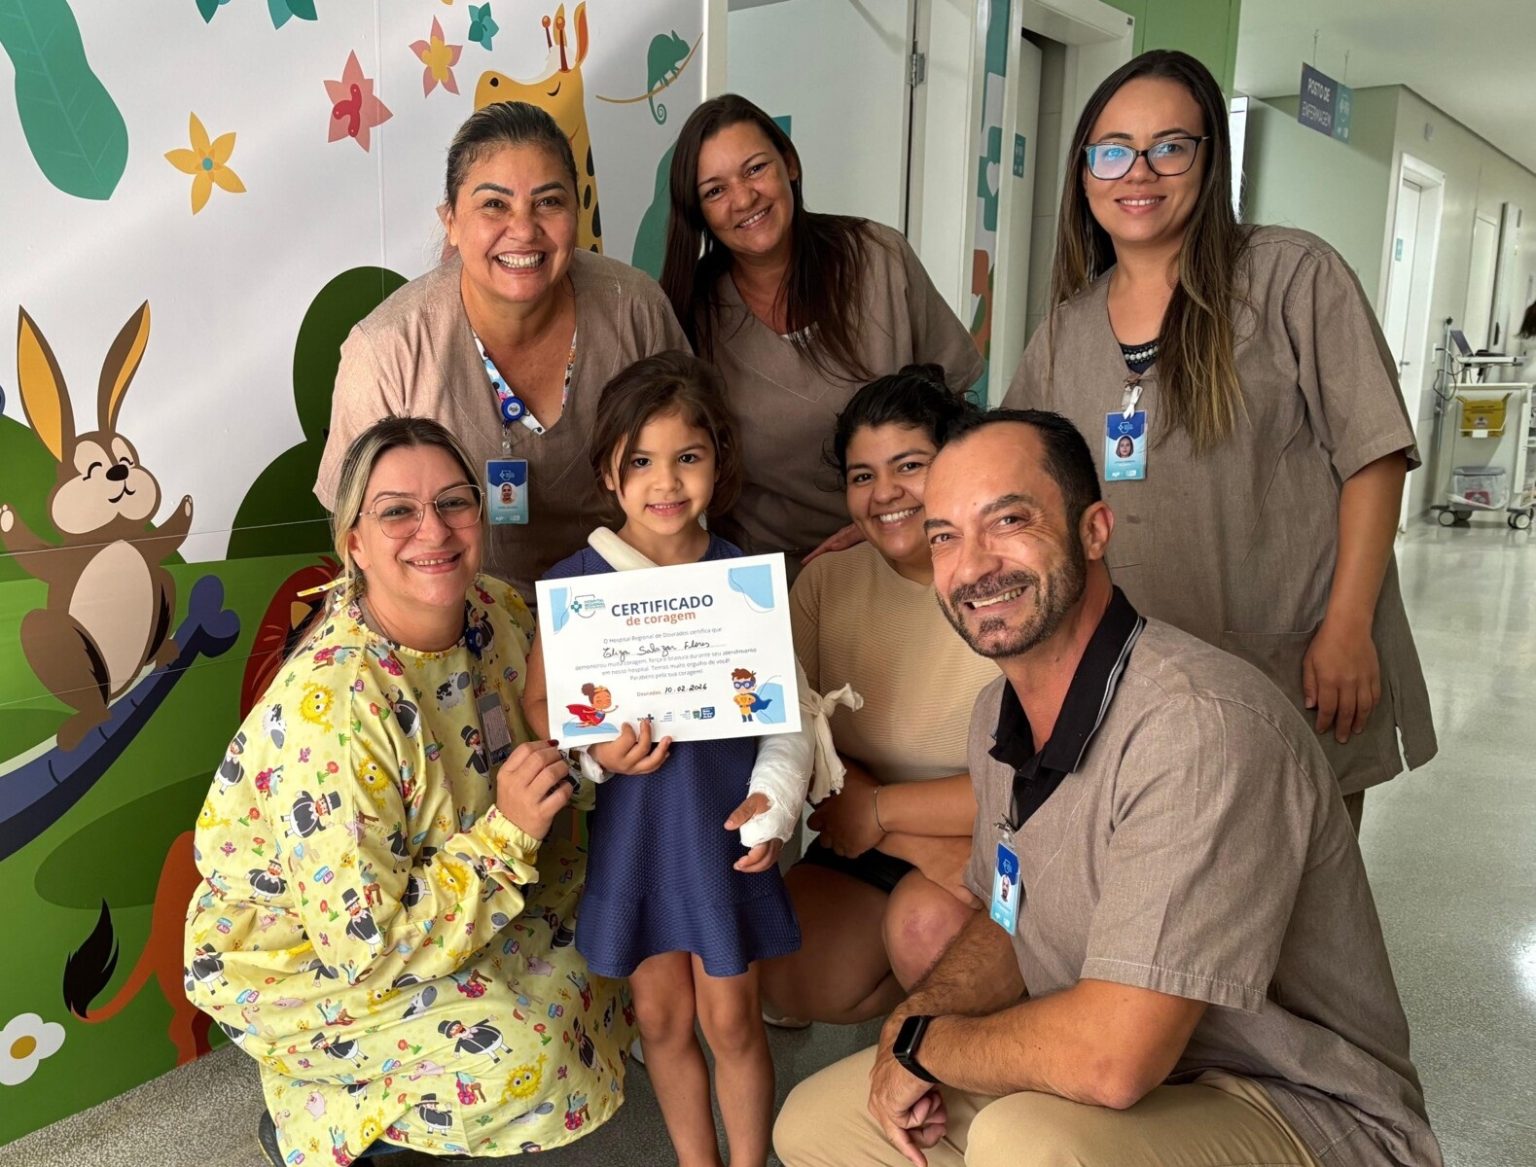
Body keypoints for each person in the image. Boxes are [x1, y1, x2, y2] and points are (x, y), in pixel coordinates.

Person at [774, 410, 1442, 1167]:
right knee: (816, 1123)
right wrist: (916, 1021)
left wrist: (929, 1045)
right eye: (945, 537)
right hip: (1128, 1087)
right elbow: (1008, 917)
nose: (975, 564)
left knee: (1028, 1144)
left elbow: (1114, 1059)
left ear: (1094, 531)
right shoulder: (999, 714)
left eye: (1009, 520)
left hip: (1292, 1102)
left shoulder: (1198, 727)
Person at [1001, 51, 1435, 824]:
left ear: (1210, 160)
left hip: (1295, 658)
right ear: (1085, 172)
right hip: (1135, 678)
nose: (1139, 172)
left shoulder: (1290, 276)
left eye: (1169, 146)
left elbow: (1375, 454)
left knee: (1301, 877)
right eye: (1113, 151)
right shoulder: (1066, 331)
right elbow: (1007, 475)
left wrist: (1348, 626)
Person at [185, 417, 632, 1163]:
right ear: (354, 543)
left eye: (454, 502)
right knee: (528, 1050)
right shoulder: (335, 712)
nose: (435, 529)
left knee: (625, 926)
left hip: (463, 885)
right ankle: (331, 1113)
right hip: (318, 955)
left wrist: (595, 754)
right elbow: (366, 946)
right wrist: (508, 835)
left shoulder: (498, 610)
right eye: (397, 510)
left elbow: (551, 745)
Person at [521, 352, 804, 1167]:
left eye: (687, 456)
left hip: (721, 832)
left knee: (732, 1020)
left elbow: (788, 712)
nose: (666, 481)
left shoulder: (744, 581)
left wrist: (775, 799)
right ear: (607, 471)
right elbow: (541, 707)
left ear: (719, 460)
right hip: (636, 837)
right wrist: (595, 753)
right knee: (662, 1020)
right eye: (640, 461)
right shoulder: (575, 588)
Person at [316, 101, 689, 601]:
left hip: (625, 609)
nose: (524, 229)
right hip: (458, 617)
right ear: (450, 221)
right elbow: (360, 537)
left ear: (576, 212)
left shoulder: (635, 309)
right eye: (494, 204)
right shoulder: (388, 350)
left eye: (548, 202)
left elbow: (695, 466)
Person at [660, 94, 984, 572]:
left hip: (907, 546)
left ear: (789, 164)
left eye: (755, 169)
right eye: (715, 191)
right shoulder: (691, 310)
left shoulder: (878, 258)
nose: (743, 199)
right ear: (698, 212)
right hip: (771, 574)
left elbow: (959, 410)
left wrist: (879, 523)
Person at [762, 366, 996, 1025]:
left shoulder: (1003, 580)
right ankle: (918, 998)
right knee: (784, 969)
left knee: (926, 929)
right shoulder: (824, 583)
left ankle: (958, 1037)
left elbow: (1035, 782)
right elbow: (797, 742)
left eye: (909, 466)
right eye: (862, 475)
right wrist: (908, 839)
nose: (885, 493)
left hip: (993, 836)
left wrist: (879, 809)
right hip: (868, 832)